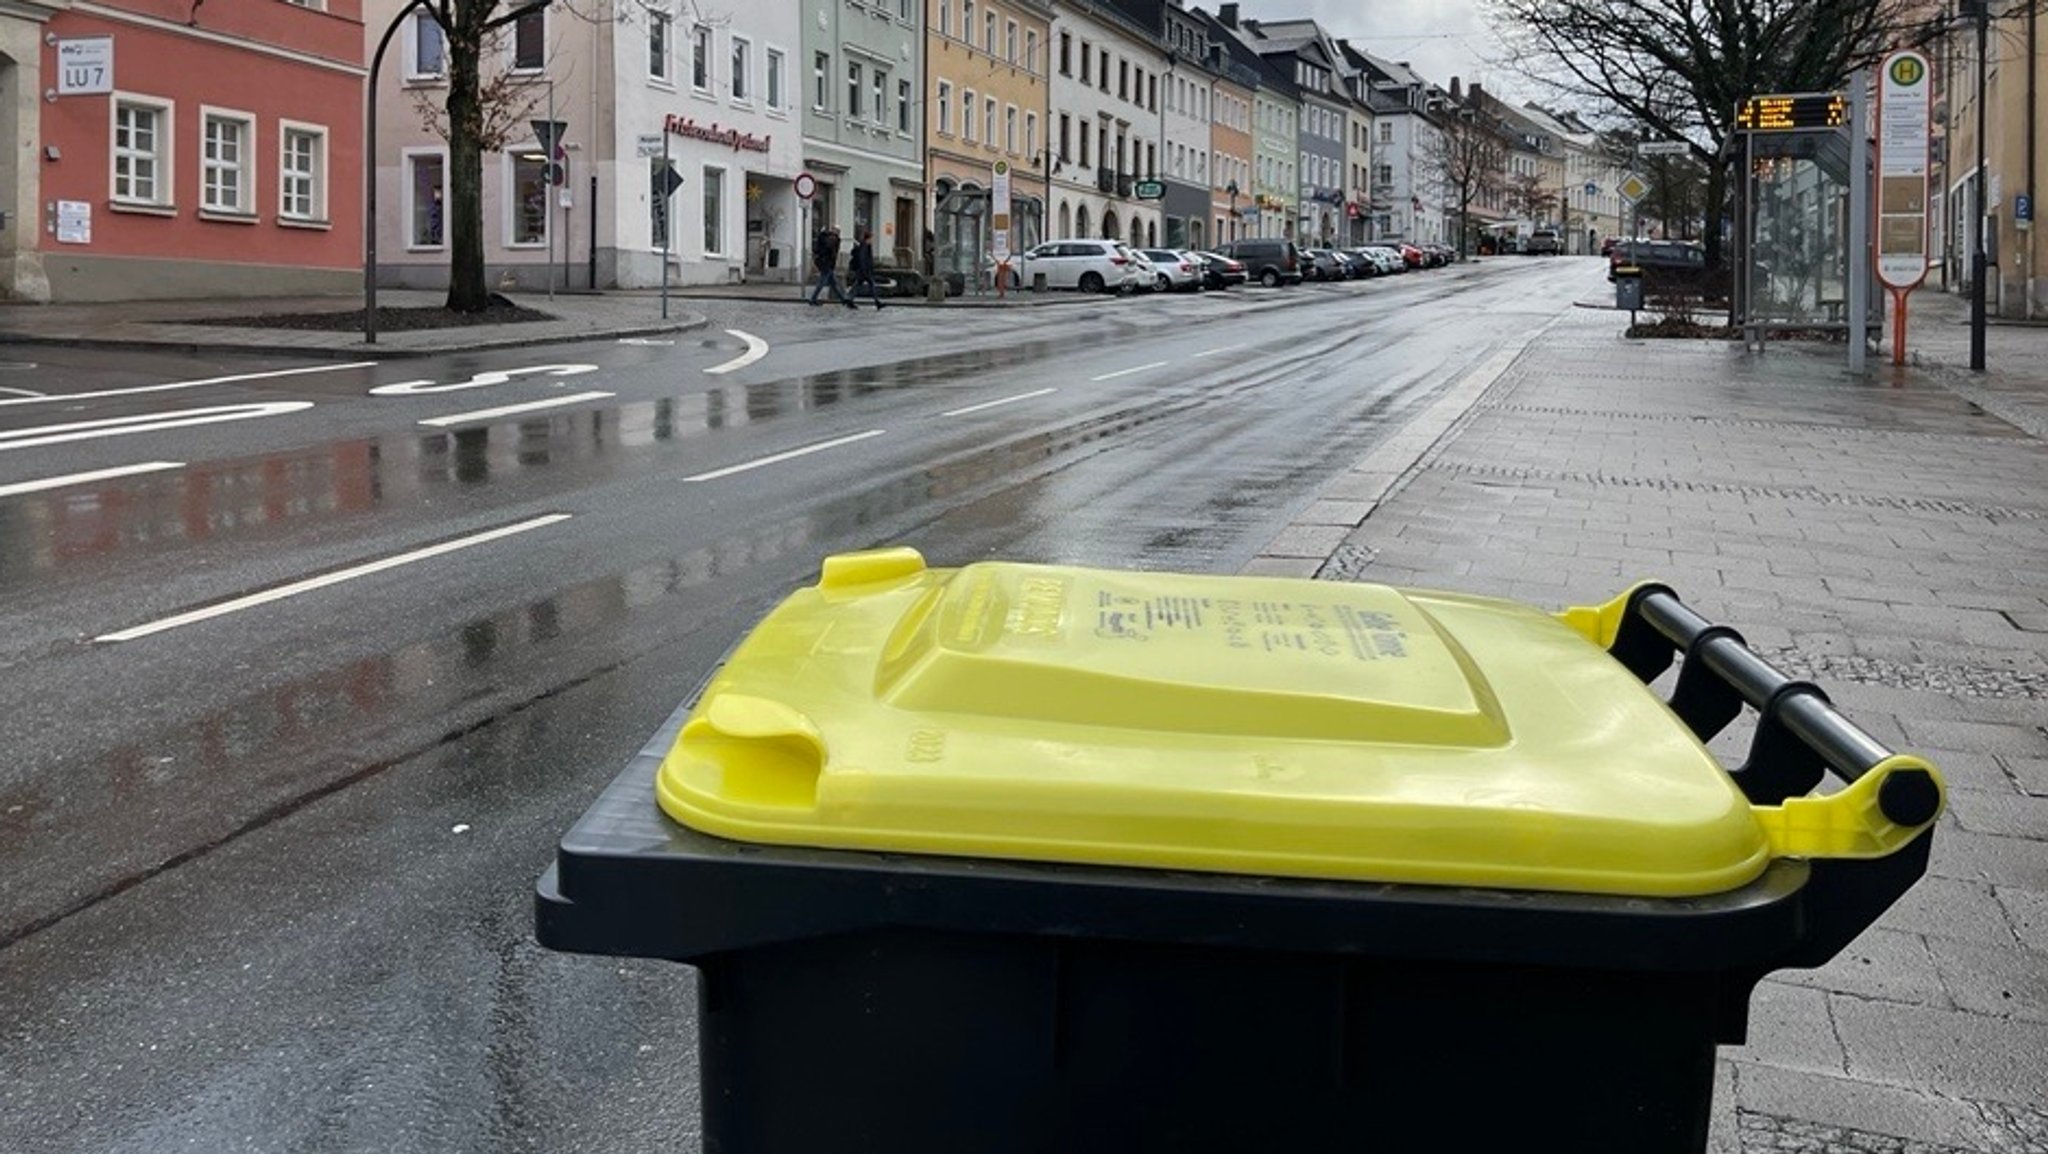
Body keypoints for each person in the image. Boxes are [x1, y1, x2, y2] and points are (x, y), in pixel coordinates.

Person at [808, 225, 852, 307]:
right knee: (822, 283)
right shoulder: (832, 239)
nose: (838, 232)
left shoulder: (827, 237)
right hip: (827, 264)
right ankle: (813, 299)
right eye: (837, 230)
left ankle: (843, 300)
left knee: (834, 284)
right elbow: (830, 251)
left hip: (827, 263)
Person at [848, 228, 885, 310]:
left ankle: (850, 300)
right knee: (871, 285)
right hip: (864, 271)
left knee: (858, 286)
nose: (872, 240)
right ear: (868, 238)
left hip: (863, 271)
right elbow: (863, 259)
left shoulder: (865, 245)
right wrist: (865, 270)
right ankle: (877, 302)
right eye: (871, 238)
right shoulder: (864, 246)